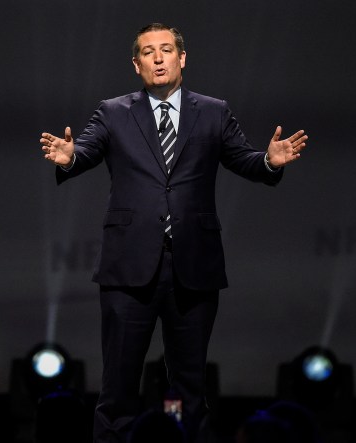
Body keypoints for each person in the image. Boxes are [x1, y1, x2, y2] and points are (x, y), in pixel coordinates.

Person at [39, 23, 307, 443]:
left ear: (182, 58)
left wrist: (270, 161)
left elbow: (244, 160)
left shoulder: (214, 111)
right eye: (149, 52)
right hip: (128, 269)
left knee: (189, 389)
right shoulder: (113, 112)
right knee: (118, 388)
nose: (159, 58)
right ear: (136, 64)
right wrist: (69, 158)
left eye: (167, 50)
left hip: (193, 265)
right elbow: (85, 151)